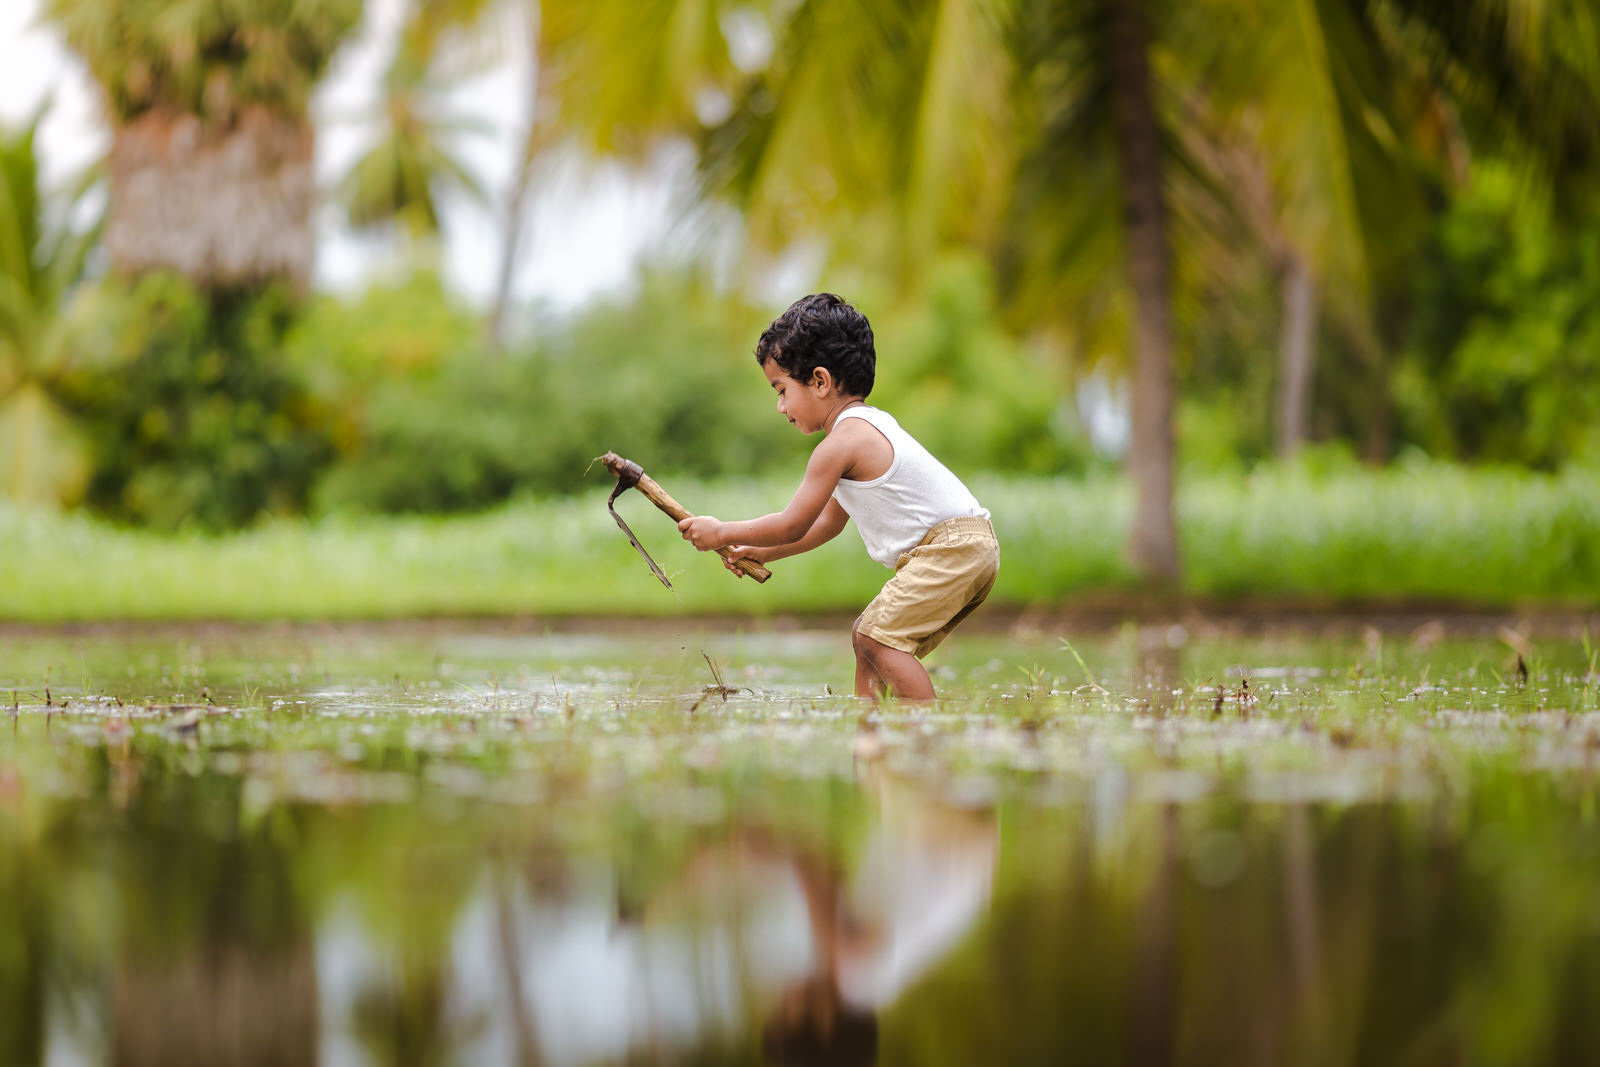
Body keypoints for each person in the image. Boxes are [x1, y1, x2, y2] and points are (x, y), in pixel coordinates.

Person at [677, 293, 999, 700]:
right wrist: (761, 551)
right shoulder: (864, 430)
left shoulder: (840, 444)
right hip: (970, 547)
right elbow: (826, 523)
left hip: (951, 549)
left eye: (781, 390)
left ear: (820, 381)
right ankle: (869, 736)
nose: (780, 407)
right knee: (866, 639)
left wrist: (721, 532)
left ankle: (924, 740)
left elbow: (793, 521)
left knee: (880, 640)